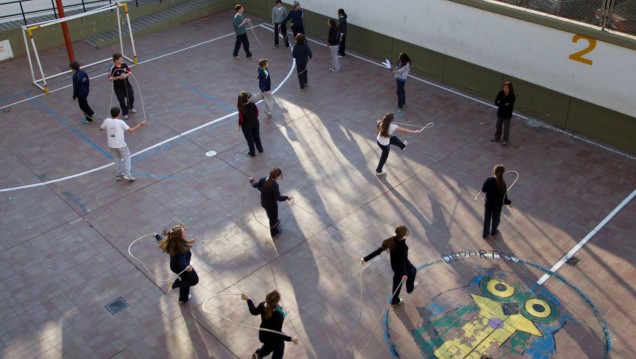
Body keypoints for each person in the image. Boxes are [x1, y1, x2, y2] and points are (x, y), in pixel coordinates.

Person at [360, 225, 417, 306]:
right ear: (404, 235)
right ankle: (409, 289)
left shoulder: (390, 241)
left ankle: (395, 300)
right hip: (402, 268)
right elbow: (402, 261)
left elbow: (378, 251)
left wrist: (365, 259)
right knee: (412, 271)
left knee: (397, 283)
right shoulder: (403, 247)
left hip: (395, 267)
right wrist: (404, 274)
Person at [242, 290, 299, 359]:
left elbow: (253, 311)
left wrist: (249, 300)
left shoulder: (263, 305)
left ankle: (259, 355)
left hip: (263, 336)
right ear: (278, 300)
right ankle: (259, 354)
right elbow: (277, 333)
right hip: (273, 337)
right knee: (279, 345)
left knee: (269, 345)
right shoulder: (279, 314)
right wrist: (290, 338)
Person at [99, 107, 146, 181]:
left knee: (117, 158)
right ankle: (127, 174)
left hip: (111, 144)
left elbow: (101, 128)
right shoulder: (120, 122)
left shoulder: (107, 121)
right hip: (121, 144)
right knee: (127, 157)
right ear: (118, 113)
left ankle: (118, 174)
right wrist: (140, 124)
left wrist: (105, 123)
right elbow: (131, 130)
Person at [157, 224, 199, 304]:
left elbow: (161, 241)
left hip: (174, 266)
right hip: (182, 269)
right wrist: (189, 269)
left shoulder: (171, 242)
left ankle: (183, 299)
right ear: (178, 237)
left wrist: (157, 236)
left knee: (186, 281)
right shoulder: (181, 249)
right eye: (183, 233)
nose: (185, 233)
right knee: (194, 280)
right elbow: (182, 263)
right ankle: (174, 284)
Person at [249, 168, 293, 237]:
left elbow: (254, 185)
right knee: (272, 218)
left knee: (271, 216)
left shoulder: (263, 179)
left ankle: (275, 222)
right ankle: (274, 232)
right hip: (272, 205)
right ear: (276, 176)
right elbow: (278, 198)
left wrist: (251, 180)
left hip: (264, 203)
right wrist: (287, 197)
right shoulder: (274, 185)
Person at [481, 164, 512, 239]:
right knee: (496, 218)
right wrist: (509, 203)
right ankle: (494, 232)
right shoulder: (502, 184)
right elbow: (505, 199)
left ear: (494, 171)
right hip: (497, 205)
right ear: (503, 173)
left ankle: (485, 234)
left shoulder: (488, 180)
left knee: (487, 218)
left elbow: (483, 190)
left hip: (488, 203)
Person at [108, 53, 135, 119]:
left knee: (131, 96)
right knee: (121, 101)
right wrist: (118, 77)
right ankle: (125, 112)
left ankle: (130, 107)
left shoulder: (124, 64)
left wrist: (126, 75)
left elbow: (129, 71)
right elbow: (110, 78)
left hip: (127, 84)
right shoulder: (112, 68)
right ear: (116, 60)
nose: (122, 60)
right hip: (118, 88)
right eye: (120, 59)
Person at [237, 91, 263, 157]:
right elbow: (257, 113)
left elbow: (241, 119)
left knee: (250, 139)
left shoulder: (241, 107)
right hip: (255, 122)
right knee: (257, 136)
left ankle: (252, 152)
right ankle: (260, 149)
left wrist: (239, 126)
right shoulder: (252, 104)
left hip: (246, 125)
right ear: (247, 98)